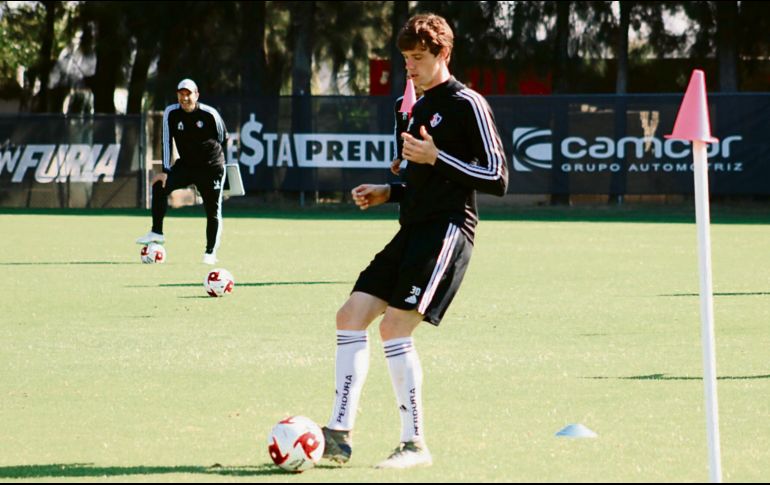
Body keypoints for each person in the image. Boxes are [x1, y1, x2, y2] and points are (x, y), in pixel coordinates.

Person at [321, 13, 508, 469]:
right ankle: (339, 433)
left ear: (443, 54)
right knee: (350, 316)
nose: (411, 68)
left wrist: (436, 156)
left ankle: (414, 444)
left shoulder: (468, 103)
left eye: (419, 59)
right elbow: (425, 181)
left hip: (448, 232)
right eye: (406, 59)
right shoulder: (416, 106)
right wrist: (390, 192)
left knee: (394, 328)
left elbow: (498, 177)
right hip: (412, 228)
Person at [136, 78, 228, 265]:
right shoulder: (171, 113)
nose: (185, 98)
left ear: (196, 95)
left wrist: (210, 157)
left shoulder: (209, 114)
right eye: (181, 94)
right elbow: (166, 141)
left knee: (212, 210)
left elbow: (222, 136)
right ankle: (157, 232)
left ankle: (210, 252)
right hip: (186, 165)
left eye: (189, 94)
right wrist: (166, 170)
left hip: (211, 168)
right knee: (159, 185)